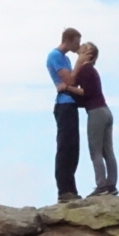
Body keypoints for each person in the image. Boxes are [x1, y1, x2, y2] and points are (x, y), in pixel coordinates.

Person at [68, 42, 116, 196]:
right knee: (107, 150)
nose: (80, 49)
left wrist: (67, 88)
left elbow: (85, 92)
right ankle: (111, 185)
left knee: (95, 150)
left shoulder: (85, 70)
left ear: (90, 54)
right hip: (105, 110)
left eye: (84, 48)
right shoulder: (92, 71)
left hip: (96, 112)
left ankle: (101, 186)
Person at [46, 28, 82, 202]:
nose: (78, 46)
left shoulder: (66, 58)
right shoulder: (55, 56)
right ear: (68, 41)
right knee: (65, 147)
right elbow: (70, 80)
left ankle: (71, 189)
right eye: (76, 42)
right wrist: (81, 62)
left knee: (73, 148)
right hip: (64, 105)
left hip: (71, 104)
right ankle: (64, 190)